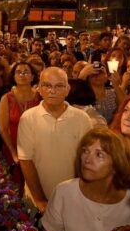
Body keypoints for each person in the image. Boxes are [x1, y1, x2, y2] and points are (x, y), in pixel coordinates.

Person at [17, 67, 92, 212]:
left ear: (67, 89)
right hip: (35, 199)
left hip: (74, 198)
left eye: (59, 86)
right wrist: (40, 200)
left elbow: (86, 160)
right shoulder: (28, 118)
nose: (52, 91)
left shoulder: (82, 118)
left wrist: (77, 193)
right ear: (39, 88)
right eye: (47, 85)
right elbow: (26, 161)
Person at [43, 128, 130, 231]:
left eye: (99, 155)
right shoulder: (64, 192)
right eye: (85, 151)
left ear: (117, 164)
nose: (87, 159)